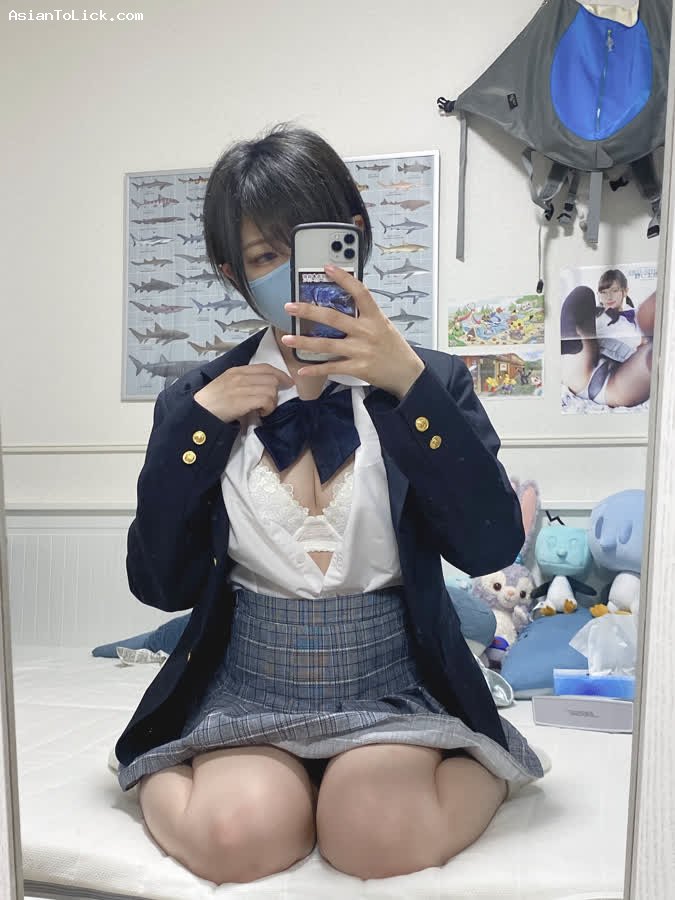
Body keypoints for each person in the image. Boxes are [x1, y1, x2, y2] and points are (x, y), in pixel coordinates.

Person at [115, 123, 545, 885]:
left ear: (353, 236)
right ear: (233, 273)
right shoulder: (196, 401)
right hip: (248, 683)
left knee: (375, 837)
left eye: (307, 246)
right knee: (235, 839)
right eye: (262, 257)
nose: (291, 274)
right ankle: (168, 761)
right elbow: (161, 585)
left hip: (392, 681)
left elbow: (487, 546)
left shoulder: (431, 383)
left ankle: (485, 752)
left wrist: (407, 385)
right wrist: (194, 432)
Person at [560, 268, 655, 407]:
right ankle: (565, 342)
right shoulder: (595, 315)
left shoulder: (636, 315)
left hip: (616, 383)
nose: (609, 297)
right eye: (603, 292)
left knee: (652, 350)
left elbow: (644, 342)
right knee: (583, 292)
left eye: (614, 291)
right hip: (584, 370)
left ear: (625, 291)